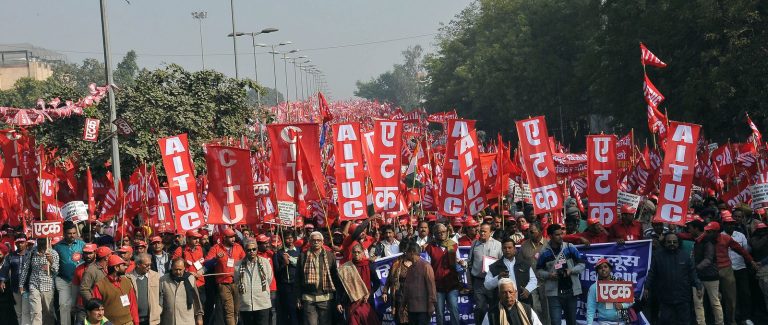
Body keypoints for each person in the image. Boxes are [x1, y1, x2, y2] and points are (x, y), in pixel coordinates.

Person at [643, 233, 701, 325]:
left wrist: (698, 287)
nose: (672, 244)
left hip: (683, 297)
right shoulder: (658, 256)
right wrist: (646, 287)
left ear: (678, 243)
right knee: (666, 322)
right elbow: (652, 273)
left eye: (675, 242)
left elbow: (692, 273)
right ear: (664, 243)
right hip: (665, 298)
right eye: (669, 242)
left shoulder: (685, 256)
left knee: (684, 322)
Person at [536, 224, 585, 325]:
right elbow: (538, 271)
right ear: (550, 236)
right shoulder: (544, 252)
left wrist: (571, 271)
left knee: (571, 321)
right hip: (554, 293)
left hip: (571, 291)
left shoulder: (569, 247)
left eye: (561, 234)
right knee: (555, 322)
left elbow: (582, 265)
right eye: (557, 235)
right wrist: (549, 275)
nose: (561, 236)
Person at [295, 231, 340, 325]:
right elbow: (298, 278)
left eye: (318, 240)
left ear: (322, 242)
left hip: (325, 297)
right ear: (309, 242)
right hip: (309, 298)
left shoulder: (330, 256)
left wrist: (338, 299)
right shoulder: (303, 256)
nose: (316, 242)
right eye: (313, 240)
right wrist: (298, 297)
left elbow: (335, 277)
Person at [204, 228, 245, 325]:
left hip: (237, 282)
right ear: (224, 238)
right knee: (229, 310)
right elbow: (206, 263)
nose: (233, 239)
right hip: (223, 284)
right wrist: (216, 258)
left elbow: (245, 260)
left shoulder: (238, 247)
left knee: (237, 310)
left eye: (234, 237)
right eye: (230, 237)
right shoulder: (216, 248)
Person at [424, 223, 462, 325]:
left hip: (452, 284)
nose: (441, 234)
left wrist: (462, 264)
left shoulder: (453, 245)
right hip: (437, 286)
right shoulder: (430, 248)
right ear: (434, 234)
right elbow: (427, 268)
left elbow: (458, 262)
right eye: (438, 232)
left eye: (443, 232)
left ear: (447, 232)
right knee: (439, 313)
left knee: (454, 310)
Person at [336, 243, 380, 325]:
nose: (356, 254)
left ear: (363, 253)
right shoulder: (346, 268)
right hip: (351, 301)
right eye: (354, 252)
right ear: (351, 253)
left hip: (366, 301)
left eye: (358, 252)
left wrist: (369, 294)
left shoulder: (369, 265)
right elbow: (340, 287)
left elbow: (377, 283)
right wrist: (338, 302)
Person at [485, 237, 537, 306]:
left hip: (523, 302)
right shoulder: (494, 266)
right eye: (504, 248)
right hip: (502, 305)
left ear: (515, 249)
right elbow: (487, 285)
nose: (507, 250)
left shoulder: (524, 264)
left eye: (510, 248)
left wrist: (528, 290)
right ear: (502, 250)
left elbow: (533, 280)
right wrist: (498, 278)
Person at [469, 223, 503, 324]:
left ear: (490, 232)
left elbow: (502, 261)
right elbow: (470, 261)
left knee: (494, 306)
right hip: (479, 281)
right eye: (481, 231)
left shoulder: (498, 244)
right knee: (480, 308)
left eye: (485, 231)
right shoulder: (474, 243)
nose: (482, 233)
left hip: (493, 281)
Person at [722, 215, 753, 324]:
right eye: (728, 224)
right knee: (730, 295)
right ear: (724, 225)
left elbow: (746, 250)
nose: (730, 226)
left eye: (732, 224)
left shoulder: (740, 235)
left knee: (745, 293)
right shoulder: (719, 236)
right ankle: (732, 318)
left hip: (741, 268)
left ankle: (746, 317)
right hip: (726, 270)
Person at [53, 221, 86, 325]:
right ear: (64, 234)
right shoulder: (57, 247)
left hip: (80, 280)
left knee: (78, 306)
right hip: (64, 280)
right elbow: (54, 264)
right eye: (69, 233)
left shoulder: (82, 244)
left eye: (74, 233)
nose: (72, 235)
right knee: (64, 305)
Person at [21, 238, 60, 325]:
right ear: (37, 242)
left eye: (43, 243)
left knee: (48, 312)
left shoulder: (53, 253)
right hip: (34, 285)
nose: (41, 245)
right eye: (39, 242)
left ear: (47, 242)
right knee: (35, 312)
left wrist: (51, 261)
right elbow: (25, 269)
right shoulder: (31, 252)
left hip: (48, 286)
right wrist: (21, 284)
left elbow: (56, 270)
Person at [170, 230, 207, 320]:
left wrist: (202, 270)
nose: (197, 241)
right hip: (187, 284)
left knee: (201, 310)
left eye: (198, 238)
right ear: (188, 239)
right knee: (189, 309)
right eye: (194, 238)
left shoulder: (201, 249)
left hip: (200, 284)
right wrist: (189, 273)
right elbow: (174, 266)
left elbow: (206, 263)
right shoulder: (180, 250)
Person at [92, 255, 138, 325]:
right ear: (116, 268)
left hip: (129, 322)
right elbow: (96, 310)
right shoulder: (100, 286)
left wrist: (136, 322)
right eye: (123, 265)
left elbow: (133, 304)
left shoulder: (126, 281)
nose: (126, 267)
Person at [693, 222, 724, 325]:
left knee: (713, 303)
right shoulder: (699, 241)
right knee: (700, 303)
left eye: (708, 231)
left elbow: (708, 260)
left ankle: (719, 323)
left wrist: (695, 269)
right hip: (702, 277)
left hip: (709, 276)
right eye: (706, 230)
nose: (706, 232)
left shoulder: (708, 242)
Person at [235, 239, 272, 324]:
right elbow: (237, 281)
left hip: (262, 303)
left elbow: (269, 279)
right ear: (245, 250)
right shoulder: (238, 265)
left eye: (253, 249)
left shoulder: (265, 262)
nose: (251, 251)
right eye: (248, 250)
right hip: (246, 305)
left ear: (257, 249)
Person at [585, 259, 633, 325]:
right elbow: (591, 308)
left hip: (622, 321)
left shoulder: (620, 282)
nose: (603, 269)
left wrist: (622, 305)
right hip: (604, 322)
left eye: (605, 267)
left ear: (610, 269)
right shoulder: (594, 287)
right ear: (597, 272)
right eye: (600, 268)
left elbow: (632, 301)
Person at [401, 238, 437, 325]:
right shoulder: (410, 269)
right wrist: (403, 305)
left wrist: (431, 305)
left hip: (423, 310)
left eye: (407, 252)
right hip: (411, 309)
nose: (405, 254)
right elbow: (407, 289)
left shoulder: (426, 266)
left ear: (412, 252)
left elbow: (431, 287)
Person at [159, 258, 203, 325]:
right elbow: (160, 301)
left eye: (180, 269)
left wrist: (199, 317)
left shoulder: (190, 278)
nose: (178, 272)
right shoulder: (163, 280)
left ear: (184, 268)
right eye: (176, 269)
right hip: (170, 320)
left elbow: (196, 299)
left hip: (187, 319)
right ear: (171, 268)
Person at [0, 234, 32, 325]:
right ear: (15, 243)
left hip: (27, 287)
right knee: (18, 312)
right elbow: (5, 269)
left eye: (22, 242)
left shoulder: (31, 255)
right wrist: (2, 281)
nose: (20, 245)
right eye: (18, 243)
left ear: (26, 243)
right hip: (15, 287)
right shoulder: (11, 256)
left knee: (26, 311)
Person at [382, 240, 415, 325]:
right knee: (401, 320)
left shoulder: (417, 263)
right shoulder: (396, 264)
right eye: (405, 250)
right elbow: (389, 279)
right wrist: (385, 292)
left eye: (408, 249)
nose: (406, 252)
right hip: (400, 295)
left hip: (414, 296)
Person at [274, 230, 300, 325]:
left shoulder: (299, 250)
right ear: (284, 240)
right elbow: (277, 271)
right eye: (287, 238)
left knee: (300, 308)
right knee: (291, 309)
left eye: (291, 238)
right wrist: (284, 264)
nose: (289, 240)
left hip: (298, 284)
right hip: (287, 285)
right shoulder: (280, 253)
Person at [128, 254, 161, 325]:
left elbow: (161, 294)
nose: (149, 267)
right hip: (134, 320)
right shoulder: (128, 278)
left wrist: (159, 309)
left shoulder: (155, 276)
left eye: (150, 265)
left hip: (152, 320)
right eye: (146, 265)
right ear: (138, 265)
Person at [73, 244, 98, 323]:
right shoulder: (78, 268)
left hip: (98, 306)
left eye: (90, 253)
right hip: (82, 306)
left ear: (95, 253)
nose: (88, 256)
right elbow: (75, 289)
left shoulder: (100, 268)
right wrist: (74, 305)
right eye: (86, 253)